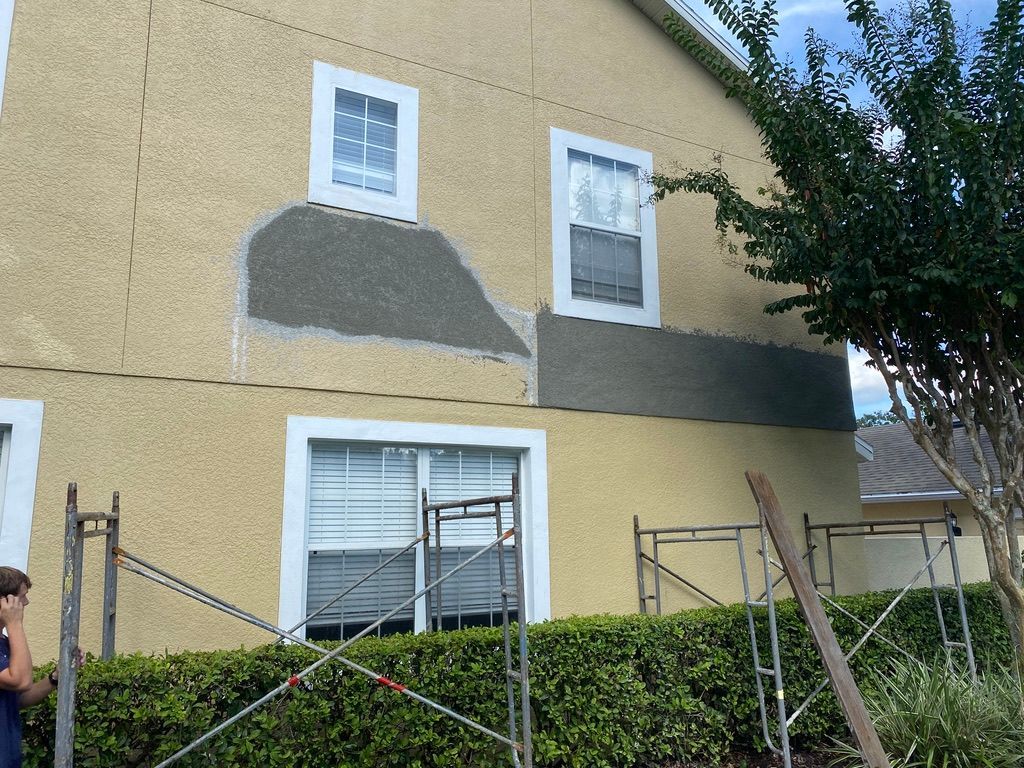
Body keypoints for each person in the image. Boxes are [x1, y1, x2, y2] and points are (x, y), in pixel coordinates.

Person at [0, 566, 78, 768]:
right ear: (4, 602)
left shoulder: (4, 643)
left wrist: (56, 677)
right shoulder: (10, 633)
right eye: (21, 597)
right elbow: (21, 680)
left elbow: (18, 698)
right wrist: (14, 623)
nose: (26, 602)